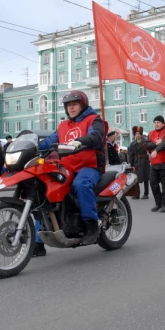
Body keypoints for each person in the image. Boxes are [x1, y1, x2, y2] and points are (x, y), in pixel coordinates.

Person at [38, 90, 105, 247]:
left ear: (82, 105)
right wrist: (34, 146)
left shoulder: (93, 120)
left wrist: (80, 141)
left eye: (74, 104)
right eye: (68, 105)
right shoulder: (63, 126)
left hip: (89, 166)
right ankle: (37, 240)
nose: (71, 108)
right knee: (44, 188)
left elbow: (96, 136)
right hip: (66, 167)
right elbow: (49, 141)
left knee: (81, 184)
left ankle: (91, 225)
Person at [145, 116, 165, 213]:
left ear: (163, 123)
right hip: (154, 164)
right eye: (155, 122)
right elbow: (147, 144)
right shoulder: (151, 133)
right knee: (153, 183)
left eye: (158, 122)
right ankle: (158, 203)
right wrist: (156, 144)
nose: (156, 124)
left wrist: (156, 150)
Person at [128, 126, 150, 200]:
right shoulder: (132, 144)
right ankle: (137, 194)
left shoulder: (145, 142)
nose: (138, 135)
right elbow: (131, 154)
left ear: (141, 134)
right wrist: (130, 164)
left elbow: (150, 150)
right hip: (136, 162)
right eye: (136, 134)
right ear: (135, 135)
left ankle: (146, 194)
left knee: (145, 178)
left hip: (144, 161)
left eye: (139, 133)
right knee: (136, 178)